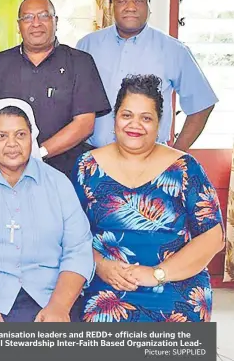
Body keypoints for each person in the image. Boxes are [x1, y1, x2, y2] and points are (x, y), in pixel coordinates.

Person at [72, 74, 224, 322]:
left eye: (146, 118)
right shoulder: (87, 167)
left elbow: (213, 237)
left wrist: (157, 274)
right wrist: (99, 264)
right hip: (106, 287)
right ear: (115, 118)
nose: (135, 125)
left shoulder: (185, 168)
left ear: (158, 124)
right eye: (127, 115)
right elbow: (70, 234)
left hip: (176, 288)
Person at [0, 102, 93, 322]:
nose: (12, 144)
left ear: (32, 137)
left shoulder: (58, 183)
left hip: (48, 298)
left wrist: (59, 307)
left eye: (20, 134)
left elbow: (78, 249)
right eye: (2, 136)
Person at [77, 0, 217, 150]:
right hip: (94, 158)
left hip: (150, 160)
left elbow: (202, 104)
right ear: (110, 7)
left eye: (139, 0)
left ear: (149, 7)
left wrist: (176, 153)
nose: (130, 7)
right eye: (122, 0)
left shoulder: (174, 50)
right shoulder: (87, 45)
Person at [0, 0, 111, 178]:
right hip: (8, 174)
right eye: (28, 18)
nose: (36, 23)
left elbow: (84, 124)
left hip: (66, 173)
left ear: (55, 21)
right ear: (19, 26)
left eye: (43, 16)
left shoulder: (80, 62)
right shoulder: (0, 63)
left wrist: (38, 153)